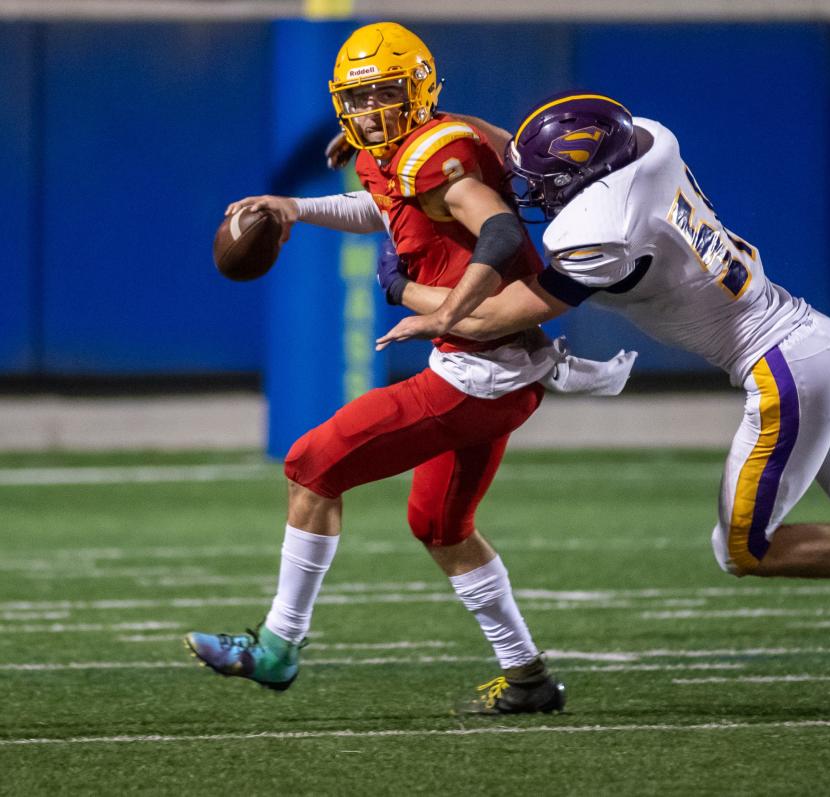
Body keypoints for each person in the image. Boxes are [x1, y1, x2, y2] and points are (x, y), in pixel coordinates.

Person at [375, 92, 830, 717]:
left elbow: (495, 316)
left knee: (742, 546)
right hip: (820, 339)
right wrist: (430, 133)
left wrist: (408, 295)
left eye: (545, 184)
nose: (530, 193)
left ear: (581, 183)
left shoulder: (597, 233)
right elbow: (522, 151)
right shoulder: (647, 140)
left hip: (783, 368)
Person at [185, 27, 633, 715]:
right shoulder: (396, 149)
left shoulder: (436, 154)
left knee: (310, 464)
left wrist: (448, 309)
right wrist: (294, 208)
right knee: (439, 524)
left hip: (476, 375)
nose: (371, 111)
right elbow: (387, 208)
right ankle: (529, 678)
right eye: (359, 98)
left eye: (387, 93)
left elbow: (503, 231)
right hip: (503, 372)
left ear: (419, 90)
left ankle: (278, 646)